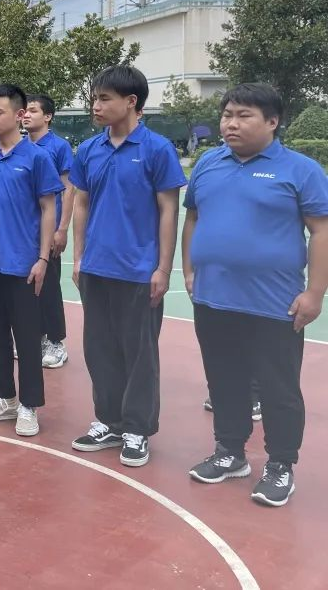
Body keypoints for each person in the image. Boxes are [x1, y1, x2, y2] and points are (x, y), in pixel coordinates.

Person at [183, 83, 328, 506]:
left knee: (278, 388)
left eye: (243, 115)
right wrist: (189, 271)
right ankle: (230, 452)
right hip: (213, 298)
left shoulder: (300, 170)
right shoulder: (208, 164)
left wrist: (315, 292)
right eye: (227, 114)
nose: (231, 123)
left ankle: (281, 464)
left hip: (274, 304)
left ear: (272, 122)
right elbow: (193, 218)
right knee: (223, 380)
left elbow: (321, 231)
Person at [70, 65, 186, 468]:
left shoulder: (157, 149)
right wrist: (79, 257)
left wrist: (162, 269)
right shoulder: (89, 149)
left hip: (139, 271)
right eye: (94, 98)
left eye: (104, 99)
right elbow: (81, 203)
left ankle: (137, 428)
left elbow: (168, 210)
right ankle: (109, 420)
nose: (96, 106)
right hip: (96, 268)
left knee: (139, 354)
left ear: (131, 101)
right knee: (99, 350)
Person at [0, 85, 63, 437]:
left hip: (22, 263)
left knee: (27, 337)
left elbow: (48, 208)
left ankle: (28, 405)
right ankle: (3, 397)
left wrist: (42, 258)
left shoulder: (37, 158)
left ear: (19, 115)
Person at [24, 93, 76, 368]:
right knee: (26, 287)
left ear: (48, 116)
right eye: (25, 110)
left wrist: (62, 228)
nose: (26, 115)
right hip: (24, 231)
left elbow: (68, 189)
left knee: (49, 287)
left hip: (49, 230)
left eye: (33, 110)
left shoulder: (58, 147)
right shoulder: (20, 146)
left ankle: (56, 342)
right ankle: (36, 338)